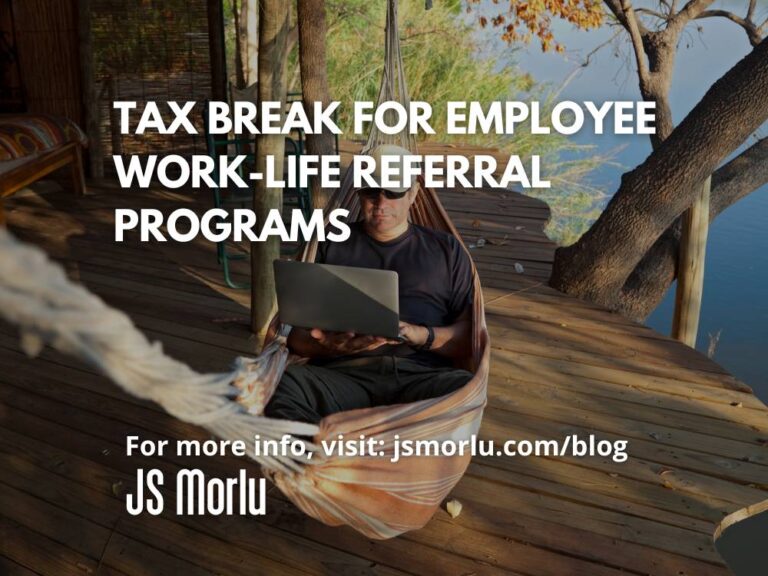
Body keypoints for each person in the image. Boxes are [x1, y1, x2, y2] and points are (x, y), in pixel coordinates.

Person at [264, 144, 474, 424]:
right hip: (343, 374)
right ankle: (323, 459)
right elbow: (297, 339)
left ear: (413, 193)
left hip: (421, 376)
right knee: (285, 386)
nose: (381, 202)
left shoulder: (447, 250)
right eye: (371, 191)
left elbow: (469, 340)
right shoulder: (330, 241)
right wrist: (334, 347)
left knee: (463, 391)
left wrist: (419, 334)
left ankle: (342, 448)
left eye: (393, 192)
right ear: (358, 193)